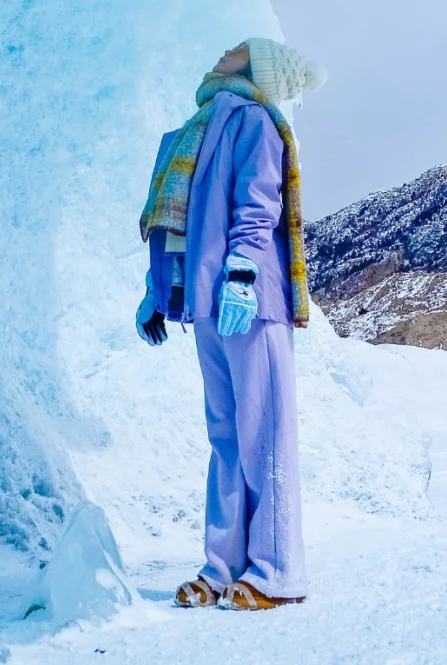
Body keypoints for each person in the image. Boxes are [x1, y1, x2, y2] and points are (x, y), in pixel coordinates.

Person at [136, 37, 327, 611]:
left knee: (264, 436)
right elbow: (177, 224)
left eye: (241, 49)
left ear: (257, 67)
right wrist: (156, 290)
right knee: (226, 440)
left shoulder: (253, 123)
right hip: (206, 304)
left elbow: (258, 203)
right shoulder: (197, 128)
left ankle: (275, 571)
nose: (227, 50)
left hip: (251, 301)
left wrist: (242, 274)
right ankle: (222, 567)